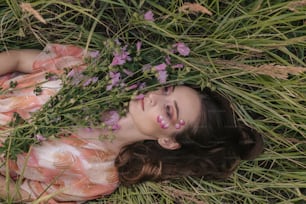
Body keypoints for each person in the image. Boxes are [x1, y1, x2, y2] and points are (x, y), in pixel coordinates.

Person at [0, 44, 264, 203]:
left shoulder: (99, 177)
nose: (153, 97)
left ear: (169, 141)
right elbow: (19, 59)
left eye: (169, 110)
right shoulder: (97, 70)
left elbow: (23, 193)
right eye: (166, 89)